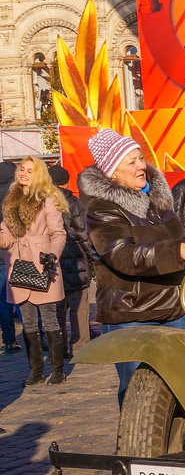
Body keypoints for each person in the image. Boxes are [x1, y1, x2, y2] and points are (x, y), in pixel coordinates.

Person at [80, 129, 185, 404]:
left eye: (141, 158)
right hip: (132, 316)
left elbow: (170, 238)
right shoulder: (102, 208)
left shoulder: (157, 200)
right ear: (111, 173)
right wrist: (176, 250)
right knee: (138, 398)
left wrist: (184, 243)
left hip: (175, 310)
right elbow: (122, 255)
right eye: (131, 162)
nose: (141, 166)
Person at [0, 157, 67, 385]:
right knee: (28, 323)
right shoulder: (10, 201)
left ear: (38, 174)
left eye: (29, 170)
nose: (23, 174)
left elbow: (59, 233)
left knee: (50, 320)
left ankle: (57, 370)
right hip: (18, 267)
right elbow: (7, 237)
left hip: (42, 264)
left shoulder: (47, 200)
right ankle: (35, 371)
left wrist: (53, 254)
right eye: (21, 169)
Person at [49, 165, 92, 357]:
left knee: (56, 308)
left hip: (52, 260)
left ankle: (59, 347)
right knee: (80, 307)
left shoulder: (41, 202)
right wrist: (92, 260)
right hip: (75, 260)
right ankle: (80, 348)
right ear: (67, 182)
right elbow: (83, 234)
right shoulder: (73, 202)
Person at [0, 160, 18, 354]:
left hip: (0, 252)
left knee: (3, 299)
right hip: (16, 251)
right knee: (23, 295)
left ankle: (9, 340)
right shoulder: (16, 194)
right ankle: (38, 336)